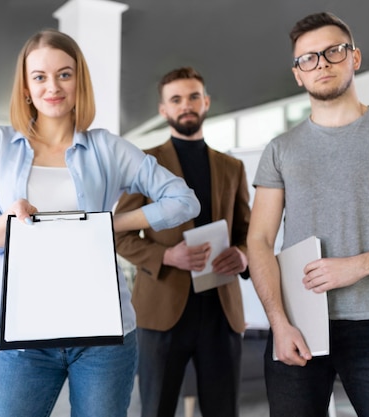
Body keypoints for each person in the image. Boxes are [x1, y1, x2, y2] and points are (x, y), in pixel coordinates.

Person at [0, 29, 200, 417]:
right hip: (28, 333)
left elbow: (183, 200)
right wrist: (8, 219)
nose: (52, 87)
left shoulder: (106, 148)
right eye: (39, 76)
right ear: (25, 86)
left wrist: (110, 223)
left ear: (79, 81)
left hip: (103, 333)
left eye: (65, 74)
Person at [247, 12, 369, 417]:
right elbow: (260, 241)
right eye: (308, 58)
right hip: (298, 324)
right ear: (298, 75)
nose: (321, 63)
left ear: (354, 58)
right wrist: (278, 323)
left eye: (332, 52)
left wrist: (357, 266)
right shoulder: (280, 149)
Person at [114, 66, 251, 417]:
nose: (185, 105)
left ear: (205, 103)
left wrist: (244, 256)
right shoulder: (145, 164)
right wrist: (166, 256)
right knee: (156, 409)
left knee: (224, 410)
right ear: (163, 109)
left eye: (193, 97)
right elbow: (118, 233)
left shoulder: (232, 167)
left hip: (221, 310)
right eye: (176, 99)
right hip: (161, 309)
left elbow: (247, 232)